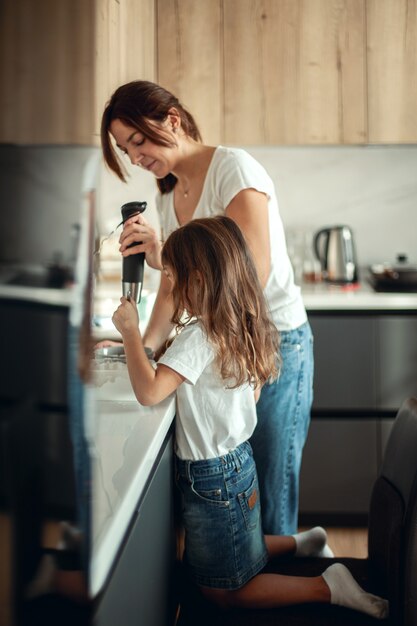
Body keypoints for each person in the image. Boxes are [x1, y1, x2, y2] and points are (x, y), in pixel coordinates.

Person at [111, 216, 387, 618]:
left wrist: (131, 334)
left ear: (200, 280)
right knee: (245, 542)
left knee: (223, 590)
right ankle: (303, 542)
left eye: (171, 277)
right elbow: (250, 393)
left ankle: (327, 587)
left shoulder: (199, 336)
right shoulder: (239, 324)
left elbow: (149, 390)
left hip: (211, 479)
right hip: (237, 464)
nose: (168, 287)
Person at [100, 80, 312, 535]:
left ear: (171, 120)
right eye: (125, 149)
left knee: (270, 492)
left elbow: (247, 274)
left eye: (137, 140)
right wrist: (140, 344)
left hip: (270, 343)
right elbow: (175, 285)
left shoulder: (233, 169)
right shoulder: (168, 190)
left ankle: (293, 587)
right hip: (222, 346)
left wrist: (166, 254)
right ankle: (253, 580)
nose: (135, 157)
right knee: (240, 495)